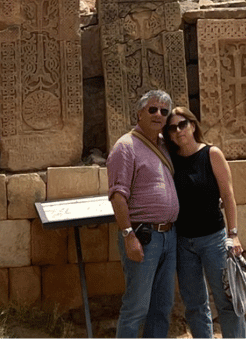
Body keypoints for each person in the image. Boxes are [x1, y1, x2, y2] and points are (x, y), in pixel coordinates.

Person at [164, 107, 246, 339]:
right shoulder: (170, 161)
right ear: (169, 134)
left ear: (193, 125)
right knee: (195, 305)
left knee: (227, 300)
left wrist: (234, 233)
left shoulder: (212, 154)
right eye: (173, 127)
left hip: (214, 240)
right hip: (183, 241)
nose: (179, 130)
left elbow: (228, 196)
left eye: (183, 124)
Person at [107, 90, 179, 339]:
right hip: (143, 235)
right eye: (152, 109)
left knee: (162, 306)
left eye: (164, 111)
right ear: (139, 113)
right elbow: (118, 195)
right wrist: (128, 235)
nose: (158, 114)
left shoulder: (164, 146)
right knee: (136, 307)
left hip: (169, 235)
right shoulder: (125, 147)